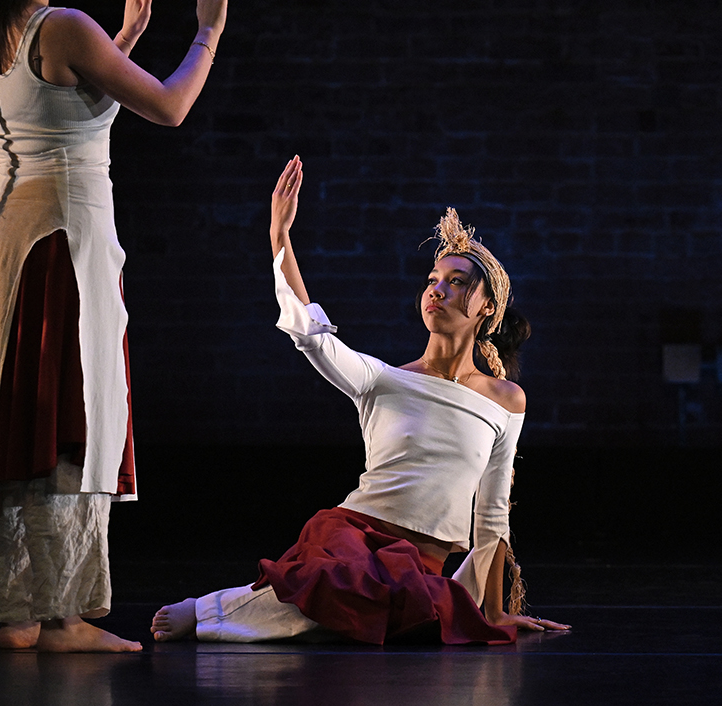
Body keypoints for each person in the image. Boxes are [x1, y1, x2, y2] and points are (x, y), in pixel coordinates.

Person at [0, 0, 231, 652]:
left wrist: (126, 36)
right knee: (70, 412)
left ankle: (19, 611)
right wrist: (205, 33)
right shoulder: (66, 28)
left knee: (21, 420)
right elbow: (171, 109)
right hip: (59, 250)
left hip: (5, 247)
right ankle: (65, 615)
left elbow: (65, 111)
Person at [151, 157, 570, 644]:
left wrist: (494, 612)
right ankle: (209, 611)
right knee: (336, 580)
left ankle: (289, 606)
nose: (437, 290)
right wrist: (279, 238)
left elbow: (493, 512)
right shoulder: (383, 379)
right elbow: (312, 335)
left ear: (487, 309)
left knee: (412, 618)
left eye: (456, 282)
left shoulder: (505, 400)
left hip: (422, 562)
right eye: (432, 281)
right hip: (353, 536)